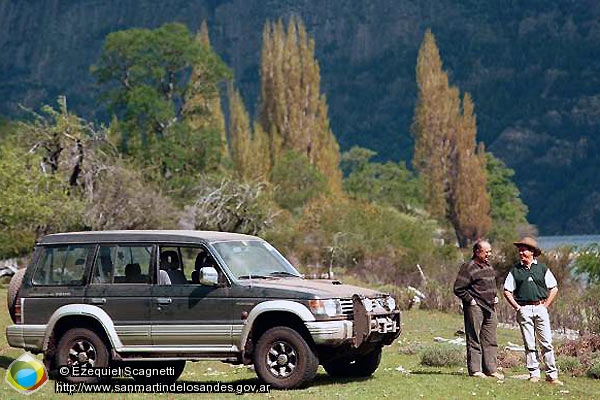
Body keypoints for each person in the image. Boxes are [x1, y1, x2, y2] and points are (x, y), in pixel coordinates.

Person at [503, 237, 563, 385]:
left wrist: (546, 305)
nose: (521, 252)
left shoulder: (542, 268)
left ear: (532, 252)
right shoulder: (515, 270)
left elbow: (554, 288)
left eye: (524, 250)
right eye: (520, 250)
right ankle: (534, 374)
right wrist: (517, 308)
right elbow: (506, 290)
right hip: (524, 309)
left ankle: (551, 376)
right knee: (529, 344)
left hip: (540, 307)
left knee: (546, 343)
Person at [453, 240, 503, 379]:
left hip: (490, 307)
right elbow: (458, 288)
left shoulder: (488, 266)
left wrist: (495, 296)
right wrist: (471, 301)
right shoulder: (468, 267)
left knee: (490, 339)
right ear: (477, 252)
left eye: (490, 251)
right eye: (486, 252)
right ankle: (475, 370)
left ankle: (491, 369)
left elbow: (490, 284)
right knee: (474, 337)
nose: (489, 254)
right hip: (476, 307)